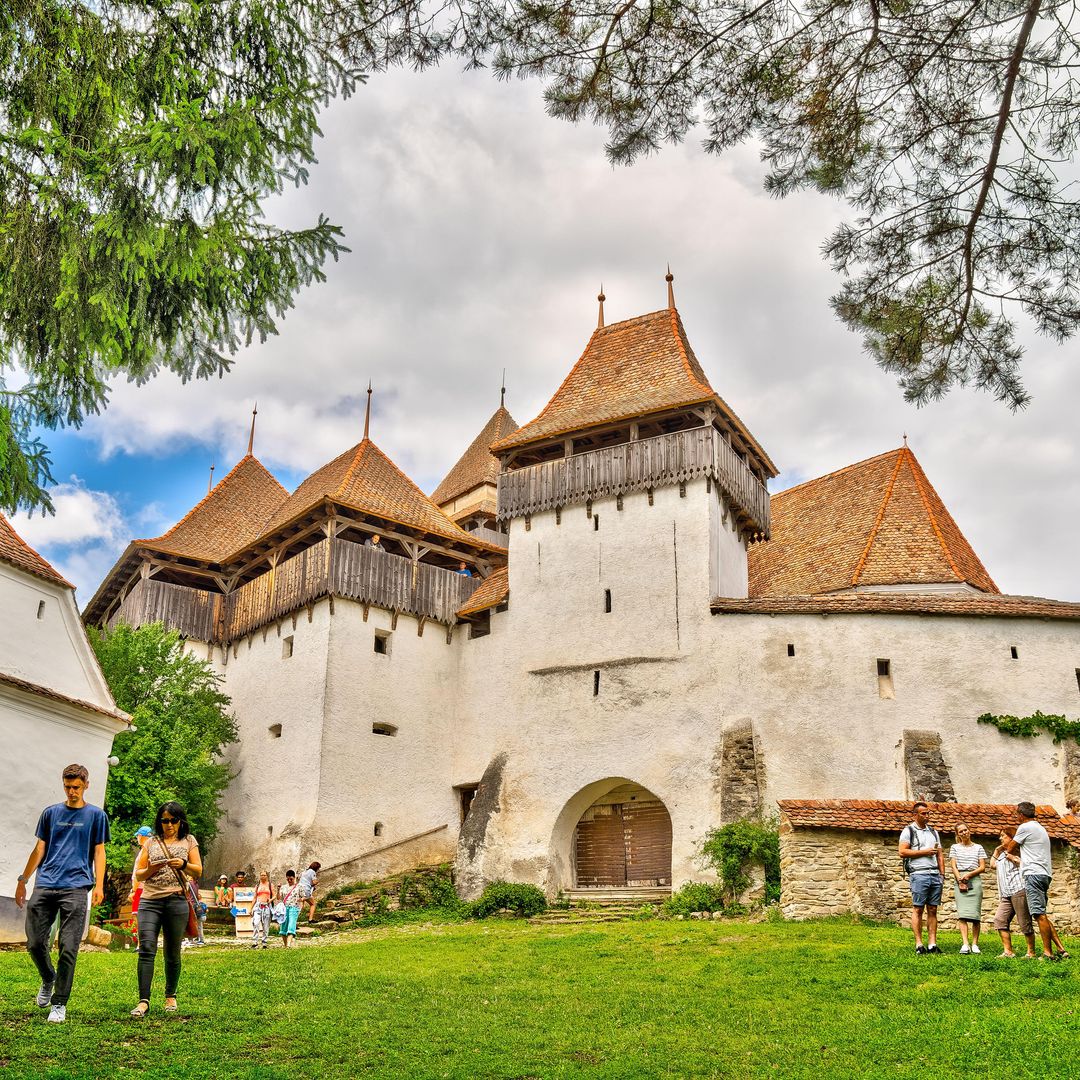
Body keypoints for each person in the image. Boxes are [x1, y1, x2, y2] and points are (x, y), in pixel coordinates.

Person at [14, 764, 110, 1024]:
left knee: (68, 946)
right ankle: (48, 978)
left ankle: (59, 1004)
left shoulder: (96, 816)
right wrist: (24, 880)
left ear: (86, 785)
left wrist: (99, 885)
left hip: (77, 886)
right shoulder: (51, 813)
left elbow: (99, 852)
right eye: (67, 786)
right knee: (34, 943)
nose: (71, 791)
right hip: (45, 883)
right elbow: (39, 848)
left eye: (76, 787)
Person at [129, 802, 202, 1017]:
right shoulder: (151, 842)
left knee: (172, 952)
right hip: (150, 901)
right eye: (164, 820)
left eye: (173, 820)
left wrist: (183, 864)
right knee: (146, 949)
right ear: (159, 821)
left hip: (176, 901)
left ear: (180, 821)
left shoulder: (189, 841)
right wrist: (153, 867)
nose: (169, 825)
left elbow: (198, 871)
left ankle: (171, 996)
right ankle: (143, 1001)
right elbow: (140, 874)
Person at [1006, 801, 1070, 960]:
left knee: (1038, 914)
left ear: (1020, 815)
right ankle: (1061, 949)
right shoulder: (1040, 827)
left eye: (1017, 815)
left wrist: (1014, 853)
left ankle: (1048, 953)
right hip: (1044, 874)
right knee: (1041, 913)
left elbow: (1010, 847)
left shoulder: (1025, 827)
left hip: (1033, 874)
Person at [898, 800, 945, 955]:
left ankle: (932, 944)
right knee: (918, 909)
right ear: (915, 815)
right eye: (924, 813)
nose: (927, 816)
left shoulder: (933, 831)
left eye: (928, 813)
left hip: (934, 874)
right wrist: (924, 852)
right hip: (919, 873)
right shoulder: (908, 831)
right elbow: (902, 852)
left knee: (933, 909)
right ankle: (919, 944)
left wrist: (942, 874)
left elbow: (939, 853)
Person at [990, 827, 1036, 958]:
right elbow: (992, 865)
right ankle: (1008, 951)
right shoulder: (1002, 854)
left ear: (1012, 838)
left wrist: (1015, 859)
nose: (1000, 838)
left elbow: (1028, 866)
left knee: (1024, 922)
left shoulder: (1019, 851)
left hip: (1019, 890)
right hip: (1006, 894)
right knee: (1000, 920)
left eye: (1003, 836)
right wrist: (996, 850)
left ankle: (1031, 952)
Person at [948, 822, 986, 954]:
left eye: (965, 830)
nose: (964, 833)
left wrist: (969, 875)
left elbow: (982, 867)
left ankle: (975, 944)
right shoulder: (954, 847)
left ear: (969, 831)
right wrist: (959, 878)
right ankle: (965, 944)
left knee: (975, 915)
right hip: (960, 880)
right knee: (962, 915)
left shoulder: (978, 847)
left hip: (974, 879)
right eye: (961, 832)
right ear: (958, 834)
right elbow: (953, 865)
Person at [129, 825, 153, 922]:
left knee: (136, 916)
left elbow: (138, 873)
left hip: (140, 888)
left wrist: (133, 891)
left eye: (138, 836)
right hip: (148, 888)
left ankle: (138, 937)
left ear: (142, 836)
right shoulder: (152, 850)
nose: (137, 838)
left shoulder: (144, 851)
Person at [278, 870, 303, 947]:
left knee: (291, 925)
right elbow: (279, 898)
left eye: (291, 879)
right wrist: (278, 889)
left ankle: (288, 945)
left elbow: (303, 896)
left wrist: (301, 902)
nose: (289, 881)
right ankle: (286, 945)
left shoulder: (299, 886)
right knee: (283, 927)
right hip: (284, 909)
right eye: (288, 879)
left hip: (294, 908)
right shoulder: (284, 887)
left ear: (294, 878)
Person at [250, 870, 274, 949]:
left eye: (264, 875)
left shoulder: (270, 885)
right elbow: (254, 898)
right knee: (256, 923)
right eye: (261, 875)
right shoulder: (257, 885)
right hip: (258, 906)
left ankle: (264, 942)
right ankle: (255, 941)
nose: (263, 876)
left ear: (267, 876)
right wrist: (251, 908)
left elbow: (274, 895)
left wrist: (270, 900)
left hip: (266, 906)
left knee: (266, 926)